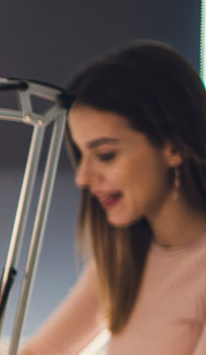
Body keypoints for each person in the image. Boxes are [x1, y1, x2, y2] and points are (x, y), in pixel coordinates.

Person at [18, 42, 206, 355]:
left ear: (172, 146)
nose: (83, 177)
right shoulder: (124, 257)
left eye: (106, 154)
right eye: (81, 154)